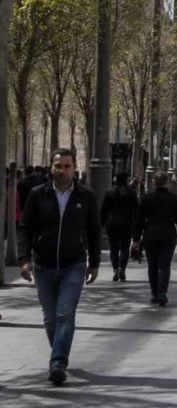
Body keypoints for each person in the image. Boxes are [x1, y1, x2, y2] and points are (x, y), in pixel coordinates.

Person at [17, 148, 101, 385]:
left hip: (73, 264)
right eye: (57, 166)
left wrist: (94, 263)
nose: (61, 170)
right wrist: (24, 260)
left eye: (66, 166)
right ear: (51, 167)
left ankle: (57, 363)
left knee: (65, 314)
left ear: (74, 168)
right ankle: (60, 352)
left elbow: (94, 231)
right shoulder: (37, 194)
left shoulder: (86, 196)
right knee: (50, 319)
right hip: (43, 265)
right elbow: (25, 227)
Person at [132, 171, 177, 307]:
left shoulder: (147, 198)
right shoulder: (173, 198)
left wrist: (135, 239)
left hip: (150, 236)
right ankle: (162, 292)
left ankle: (154, 293)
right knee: (165, 266)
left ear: (154, 182)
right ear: (167, 183)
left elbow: (139, 220)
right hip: (168, 236)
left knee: (152, 265)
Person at [101, 172, 139, 280]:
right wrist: (137, 225)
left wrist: (102, 222)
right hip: (127, 223)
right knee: (125, 247)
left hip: (112, 223)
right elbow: (136, 209)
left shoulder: (109, 192)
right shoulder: (131, 193)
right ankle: (122, 269)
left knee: (113, 247)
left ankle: (115, 270)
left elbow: (104, 209)